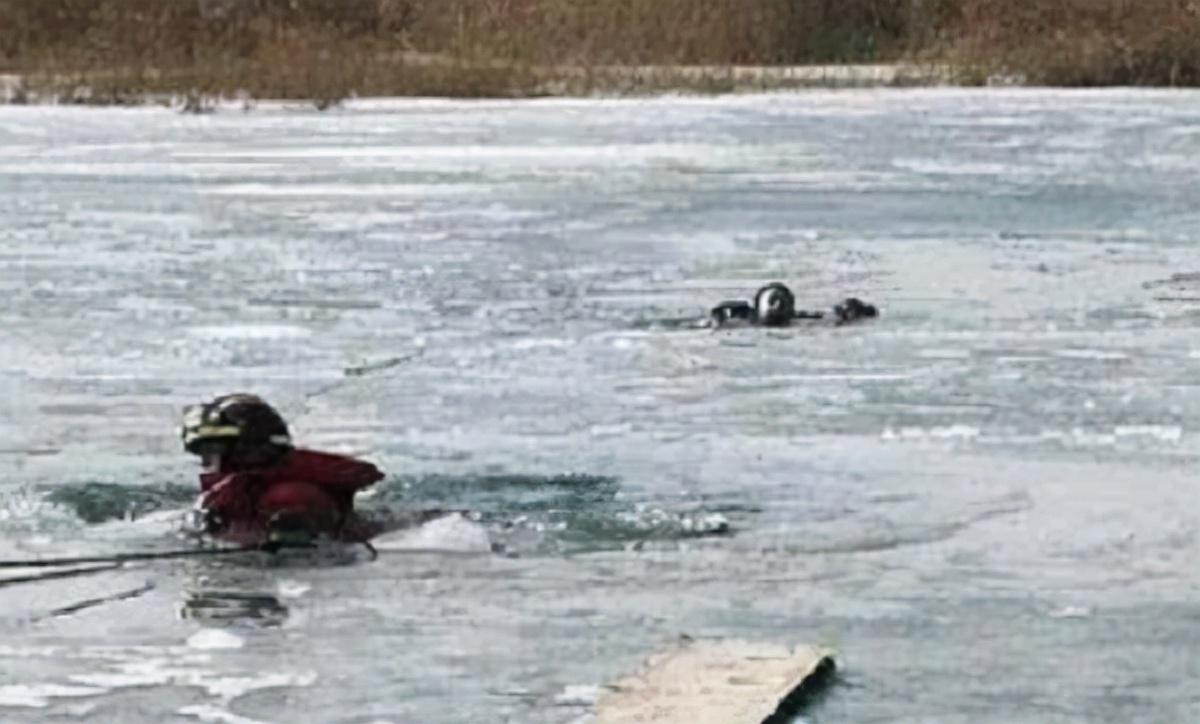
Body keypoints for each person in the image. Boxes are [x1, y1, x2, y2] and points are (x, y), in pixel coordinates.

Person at [180, 393, 383, 546]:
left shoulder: (290, 497)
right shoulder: (238, 488)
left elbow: (306, 557)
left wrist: (292, 533)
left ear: (251, 448)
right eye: (204, 453)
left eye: (216, 450)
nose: (212, 463)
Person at [710, 282, 878, 328]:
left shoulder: (797, 319)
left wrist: (849, 313)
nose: (776, 307)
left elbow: (824, 317)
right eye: (772, 302)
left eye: (781, 303)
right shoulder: (738, 314)